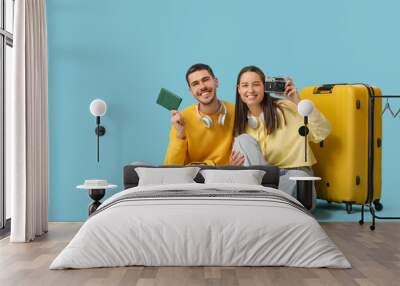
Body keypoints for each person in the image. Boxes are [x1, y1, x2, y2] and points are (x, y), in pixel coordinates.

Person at [232, 65, 331, 209]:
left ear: (264, 87)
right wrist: (234, 167)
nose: (250, 90)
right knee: (242, 140)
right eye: (245, 85)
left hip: (292, 175)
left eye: (256, 84)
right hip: (265, 178)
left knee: (299, 182)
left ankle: (263, 203)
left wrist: (297, 100)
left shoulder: (286, 107)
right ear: (239, 89)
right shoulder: (241, 122)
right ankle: (266, 202)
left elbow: (322, 132)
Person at [164, 63, 244, 166]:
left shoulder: (236, 112)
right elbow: (170, 167)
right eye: (195, 84)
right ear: (191, 91)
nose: (202, 86)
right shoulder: (182, 119)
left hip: (226, 175)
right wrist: (180, 134)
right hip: (194, 177)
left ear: (216, 82)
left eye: (206, 80)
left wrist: (230, 168)